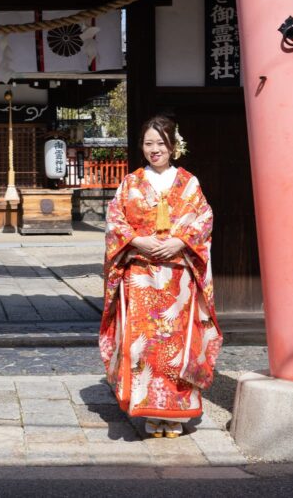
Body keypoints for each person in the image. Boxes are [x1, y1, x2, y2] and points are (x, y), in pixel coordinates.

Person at [99, 115, 222, 438]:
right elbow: (115, 221)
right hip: (140, 273)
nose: (155, 150)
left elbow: (203, 219)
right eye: (148, 143)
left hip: (177, 275)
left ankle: (177, 412)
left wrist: (181, 241)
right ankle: (150, 410)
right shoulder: (130, 183)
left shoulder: (189, 183)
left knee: (179, 344)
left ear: (173, 146)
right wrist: (137, 240)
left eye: (161, 144)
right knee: (144, 347)